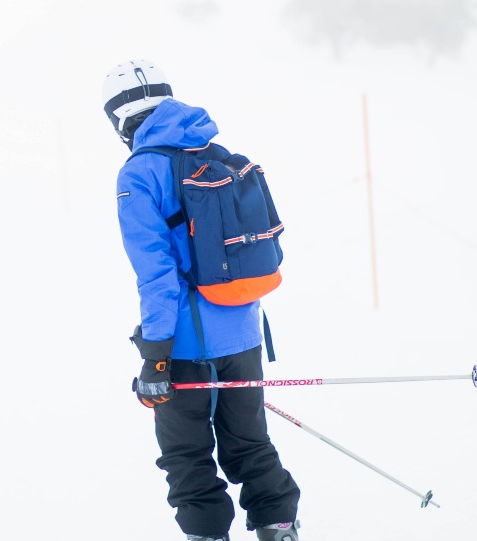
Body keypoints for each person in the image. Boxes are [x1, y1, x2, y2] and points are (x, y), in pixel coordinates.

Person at [103, 60, 301, 541]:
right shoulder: (217, 152)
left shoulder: (139, 173)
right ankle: (280, 528)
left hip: (185, 346)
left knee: (187, 456)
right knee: (250, 443)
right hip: (244, 331)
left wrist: (156, 359)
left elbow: (158, 278)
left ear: (120, 119)